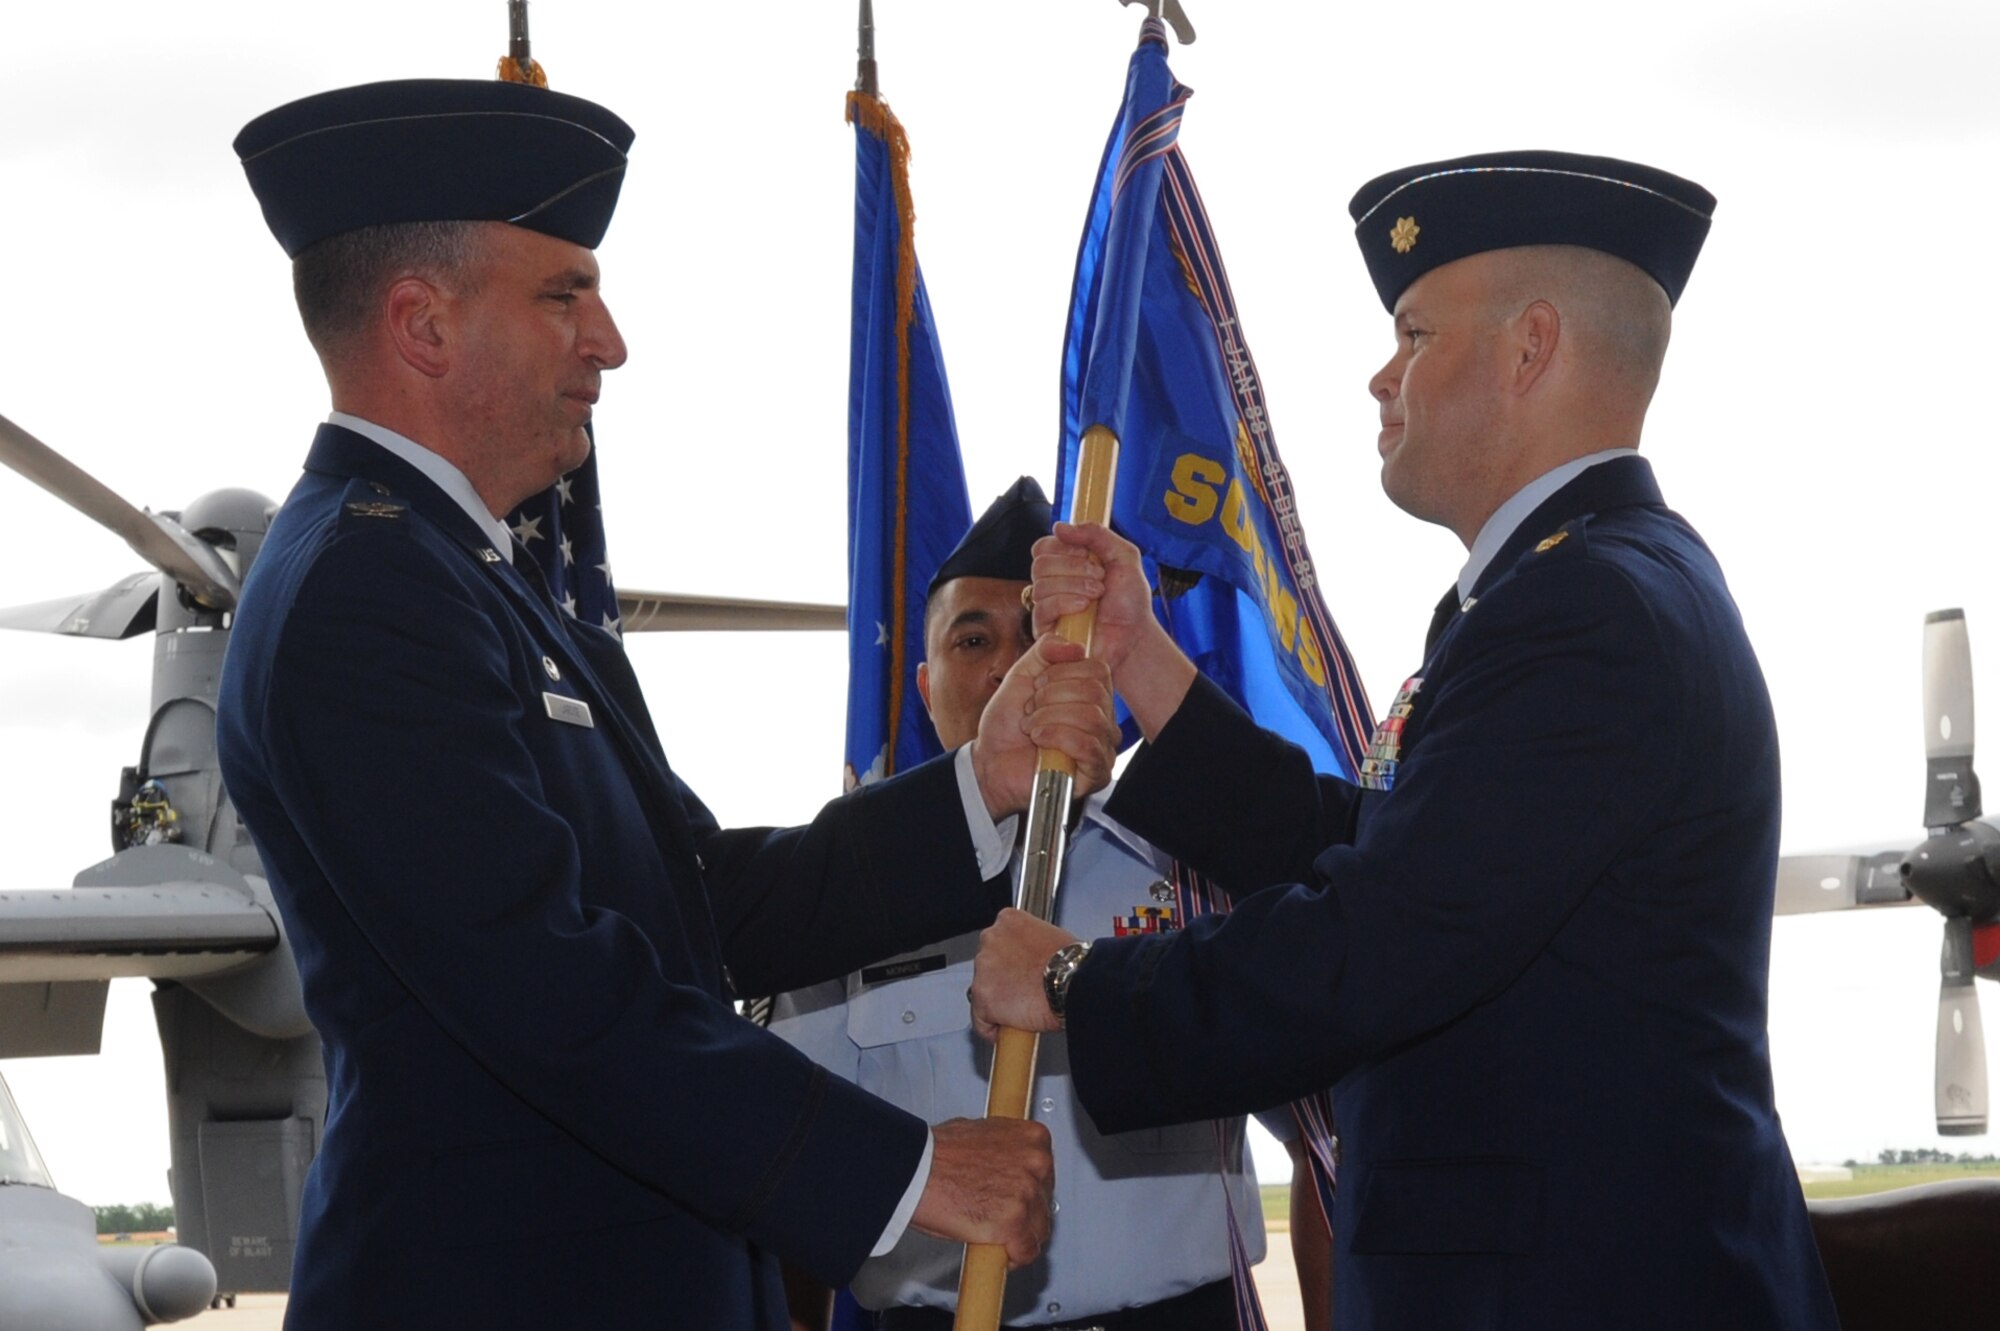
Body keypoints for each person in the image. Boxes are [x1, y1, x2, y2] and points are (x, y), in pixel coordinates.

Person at [215, 78, 1117, 1331]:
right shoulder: (361, 592)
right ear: (421, 324)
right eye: (561, 294)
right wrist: (907, 1168)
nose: (608, 339)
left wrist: (984, 783)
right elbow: (542, 984)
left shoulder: (470, 578)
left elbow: (694, 904)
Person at [970, 150, 1843, 1329]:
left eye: (1415, 333)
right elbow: (1392, 856)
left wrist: (1078, 983)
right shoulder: (1581, 586)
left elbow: (1384, 935)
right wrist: (1143, 660)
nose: (1380, 379)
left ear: (1530, 348)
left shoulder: (1582, 610)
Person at [771, 479, 1283, 1331]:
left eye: (1043, 632)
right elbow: (795, 1172)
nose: (1011, 663)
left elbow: (1321, 1126)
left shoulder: (1196, 868)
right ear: (926, 686)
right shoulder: (846, 897)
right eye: (975, 639)